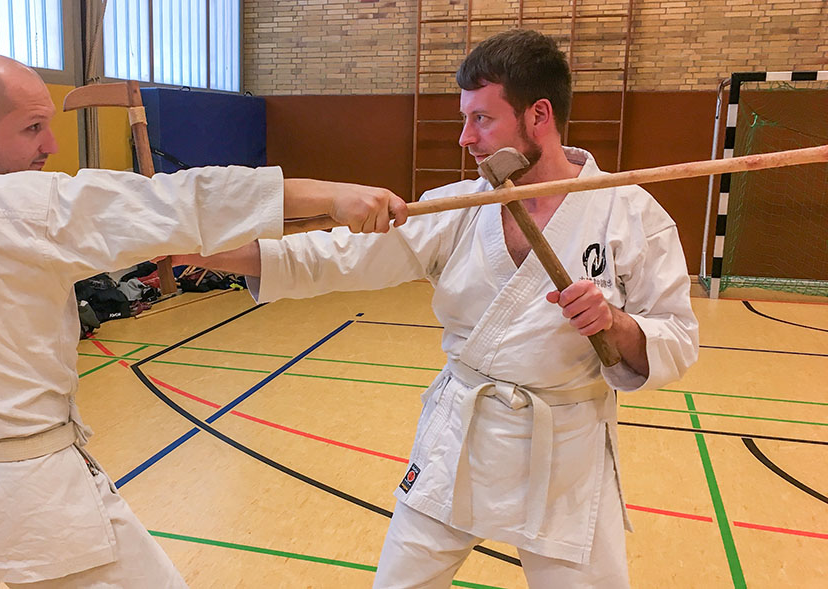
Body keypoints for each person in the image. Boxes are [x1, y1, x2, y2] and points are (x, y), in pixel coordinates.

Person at [0, 52, 408, 588]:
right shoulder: (11, 208)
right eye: (33, 128)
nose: (51, 144)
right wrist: (331, 195)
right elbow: (174, 201)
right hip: (29, 485)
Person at [175, 29, 699, 588]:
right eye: (464, 118)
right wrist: (211, 249)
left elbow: (677, 337)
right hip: (461, 435)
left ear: (539, 115)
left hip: (566, 448)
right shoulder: (457, 210)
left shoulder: (631, 214)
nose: (465, 137)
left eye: (482, 119)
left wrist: (615, 325)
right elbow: (339, 255)